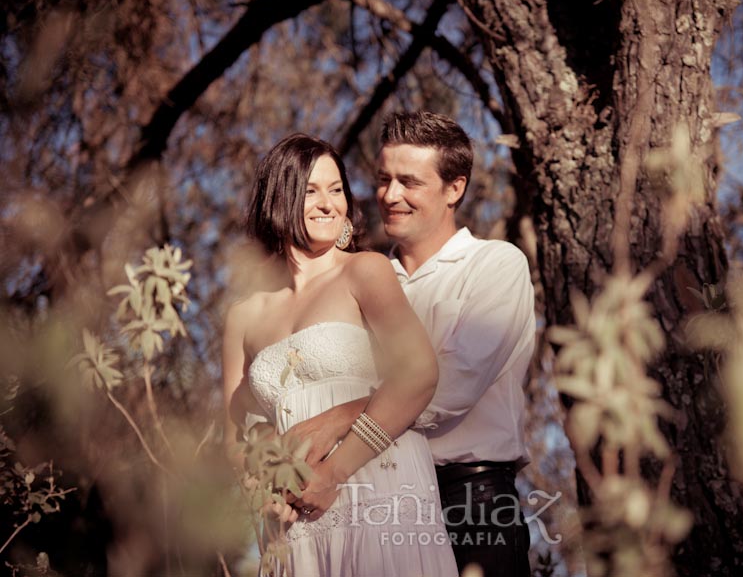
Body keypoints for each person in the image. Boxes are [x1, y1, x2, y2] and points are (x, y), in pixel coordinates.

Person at [290, 112, 536, 577]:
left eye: (410, 181)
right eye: (384, 179)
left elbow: (448, 386)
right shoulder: (361, 280)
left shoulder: (496, 265)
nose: (390, 195)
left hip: (471, 503)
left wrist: (340, 417)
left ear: (454, 188)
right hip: (370, 497)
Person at [221, 133, 458, 577]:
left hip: (377, 484)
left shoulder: (364, 270)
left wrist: (335, 472)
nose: (329, 203)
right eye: (311, 190)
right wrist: (265, 492)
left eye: (336, 190)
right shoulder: (243, 316)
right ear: (279, 197)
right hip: (293, 514)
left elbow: (419, 373)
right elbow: (234, 436)